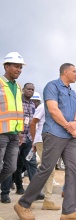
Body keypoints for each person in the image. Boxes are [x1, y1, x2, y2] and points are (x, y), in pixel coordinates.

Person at [14, 63, 76, 220]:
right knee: (46, 169)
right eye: (75, 71)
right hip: (54, 133)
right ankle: (23, 204)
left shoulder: (72, 92)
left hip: (70, 137)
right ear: (65, 71)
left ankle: (69, 211)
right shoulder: (52, 86)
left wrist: (75, 123)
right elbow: (53, 110)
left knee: (73, 170)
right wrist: (69, 127)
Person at [11, 83, 44, 201]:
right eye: (28, 89)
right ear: (23, 90)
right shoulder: (17, 102)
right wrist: (17, 132)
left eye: (32, 89)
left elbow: (33, 123)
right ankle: (7, 191)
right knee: (12, 165)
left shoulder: (32, 105)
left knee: (31, 165)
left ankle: (35, 192)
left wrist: (34, 139)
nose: (30, 91)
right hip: (17, 138)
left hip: (29, 140)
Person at [0, 52, 25, 204]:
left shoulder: (18, 86)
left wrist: (20, 131)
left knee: (11, 168)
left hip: (14, 134)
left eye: (21, 67)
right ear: (6, 66)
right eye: (16, 66)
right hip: (1, 133)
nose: (19, 69)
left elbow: (17, 110)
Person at [29, 91, 60, 210]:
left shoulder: (56, 107)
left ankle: (47, 200)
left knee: (48, 170)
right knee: (45, 170)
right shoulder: (43, 107)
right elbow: (33, 123)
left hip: (51, 141)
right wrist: (34, 141)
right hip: (42, 140)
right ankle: (29, 199)